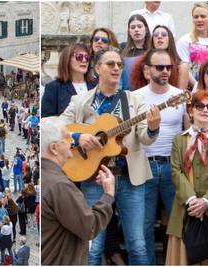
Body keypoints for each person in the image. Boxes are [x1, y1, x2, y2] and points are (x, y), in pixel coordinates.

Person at [58, 46, 160, 265]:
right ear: (97, 69)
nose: (116, 68)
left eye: (119, 65)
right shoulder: (80, 101)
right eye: (111, 64)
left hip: (129, 176)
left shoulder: (133, 100)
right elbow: (56, 127)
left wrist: (152, 127)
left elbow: (145, 137)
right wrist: (78, 137)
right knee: (93, 246)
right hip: (94, 176)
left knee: (138, 244)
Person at [166, 90, 208, 265]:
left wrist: (206, 202)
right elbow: (176, 171)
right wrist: (192, 200)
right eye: (199, 106)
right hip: (185, 210)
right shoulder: (179, 140)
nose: (205, 110)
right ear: (191, 110)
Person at [136, 49, 188, 265]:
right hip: (145, 165)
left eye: (169, 67)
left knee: (179, 221)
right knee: (145, 224)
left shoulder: (180, 95)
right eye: (160, 67)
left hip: (172, 166)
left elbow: (187, 131)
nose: (166, 71)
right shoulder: (136, 96)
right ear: (147, 70)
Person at [41, 116, 115, 265]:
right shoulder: (60, 185)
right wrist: (108, 194)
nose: (72, 142)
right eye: (67, 138)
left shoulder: (46, 176)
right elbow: (90, 227)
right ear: (54, 148)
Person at [41, 43, 97, 117]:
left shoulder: (97, 85)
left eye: (87, 57)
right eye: (79, 56)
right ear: (67, 60)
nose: (84, 60)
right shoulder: (54, 88)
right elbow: (46, 120)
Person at [130, 25, 189, 90]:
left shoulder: (181, 66)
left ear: (170, 39)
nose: (159, 37)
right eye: (155, 35)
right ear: (152, 40)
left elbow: (180, 95)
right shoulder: (143, 62)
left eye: (164, 35)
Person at [176, 2, 208, 81]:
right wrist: (196, 86)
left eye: (203, 16)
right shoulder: (184, 41)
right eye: (196, 17)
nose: (199, 20)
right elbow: (184, 70)